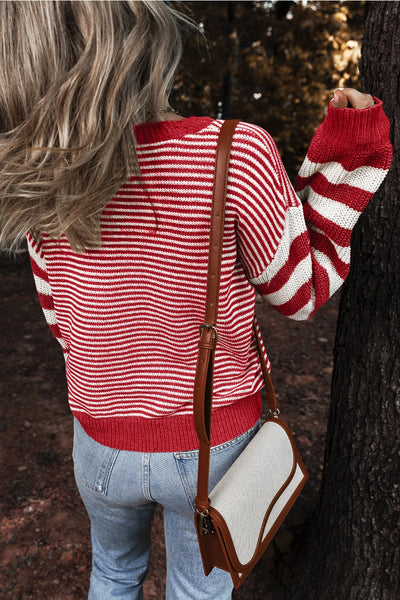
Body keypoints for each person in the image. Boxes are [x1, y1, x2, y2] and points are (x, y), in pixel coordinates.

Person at [0, 2, 392, 599]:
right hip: (212, 446)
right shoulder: (235, 153)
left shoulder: (40, 182)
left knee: (111, 573)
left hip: (100, 443)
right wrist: (347, 153)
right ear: (147, 34)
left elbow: (62, 324)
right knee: (198, 592)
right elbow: (301, 294)